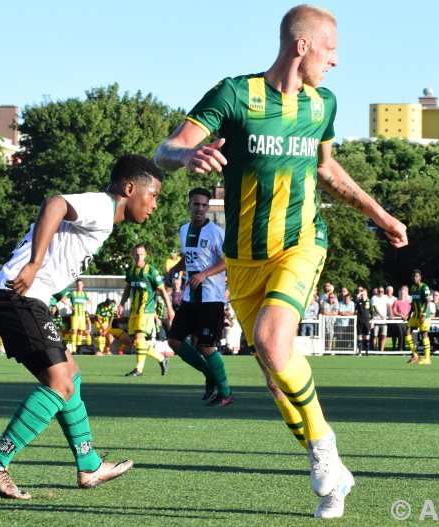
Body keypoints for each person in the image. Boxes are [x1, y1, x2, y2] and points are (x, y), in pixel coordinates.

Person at [153, 4, 407, 518]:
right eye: (332, 49)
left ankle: (322, 449)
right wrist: (186, 157)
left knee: (272, 342)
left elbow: (328, 171)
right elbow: (165, 149)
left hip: (301, 242)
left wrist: (380, 214)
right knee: (274, 370)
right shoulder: (233, 94)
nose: (336, 61)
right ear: (304, 45)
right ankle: (336, 478)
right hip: (243, 260)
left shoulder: (323, 105)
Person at [0, 154, 163, 499]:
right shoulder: (103, 206)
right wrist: (34, 265)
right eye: (152, 196)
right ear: (129, 188)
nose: (154, 205)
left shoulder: (105, 218)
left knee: (70, 376)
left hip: (25, 297)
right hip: (18, 295)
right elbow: (55, 204)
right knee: (60, 384)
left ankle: (89, 464)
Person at [165, 187, 232, 405]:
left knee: (206, 346)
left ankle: (225, 393)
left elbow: (227, 261)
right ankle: (210, 375)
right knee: (174, 341)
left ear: (208, 207)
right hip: (190, 297)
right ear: (189, 205)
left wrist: (205, 274)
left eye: (204, 205)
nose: (200, 209)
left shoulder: (216, 232)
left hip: (211, 298)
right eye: (196, 204)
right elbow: (189, 258)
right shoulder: (184, 229)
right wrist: (174, 269)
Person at [119, 243, 174, 377]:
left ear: (145, 255)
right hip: (135, 311)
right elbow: (127, 289)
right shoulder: (131, 271)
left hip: (147, 311)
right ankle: (161, 358)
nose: (139, 257)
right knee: (136, 342)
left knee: (139, 338)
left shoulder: (151, 271)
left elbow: (162, 290)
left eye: (141, 254)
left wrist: (170, 308)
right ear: (132, 255)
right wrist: (121, 304)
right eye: (136, 254)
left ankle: (139, 369)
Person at [405, 270, 432, 365]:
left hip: (424, 315)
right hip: (415, 315)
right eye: (413, 276)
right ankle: (415, 354)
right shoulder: (412, 288)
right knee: (407, 330)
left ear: (420, 277)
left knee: (424, 334)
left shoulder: (425, 287)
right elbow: (413, 303)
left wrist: (424, 315)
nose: (414, 278)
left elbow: (428, 301)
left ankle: (427, 358)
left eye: (416, 276)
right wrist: (409, 314)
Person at [63, 279, 90, 354]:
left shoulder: (84, 294)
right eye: (78, 285)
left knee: (81, 332)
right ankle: (74, 350)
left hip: (82, 316)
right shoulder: (72, 293)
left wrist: (86, 304)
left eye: (80, 284)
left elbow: (90, 301)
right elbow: (63, 298)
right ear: (76, 285)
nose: (79, 286)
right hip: (75, 316)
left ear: (83, 285)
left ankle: (79, 349)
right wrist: (69, 305)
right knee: (74, 332)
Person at [353, 286, 373, 356]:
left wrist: (372, 321)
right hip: (360, 321)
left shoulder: (369, 302)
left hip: (367, 322)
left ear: (367, 294)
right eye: (362, 294)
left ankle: (367, 352)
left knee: (367, 336)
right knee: (359, 336)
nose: (363, 295)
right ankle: (359, 352)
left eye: (364, 294)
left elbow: (371, 312)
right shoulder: (359, 302)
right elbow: (354, 300)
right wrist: (359, 294)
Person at [370, 287, 389, 353]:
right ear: (377, 291)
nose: (380, 293)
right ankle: (375, 351)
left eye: (382, 291)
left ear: (384, 292)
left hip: (384, 320)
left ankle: (381, 351)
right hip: (376, 320)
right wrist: (380, 315)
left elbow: (389, 306)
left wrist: (391, 314)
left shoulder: (386, 297)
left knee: (384, 335)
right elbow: (374, 308)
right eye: (379, 291)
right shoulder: (374, 298)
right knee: (375, 336)